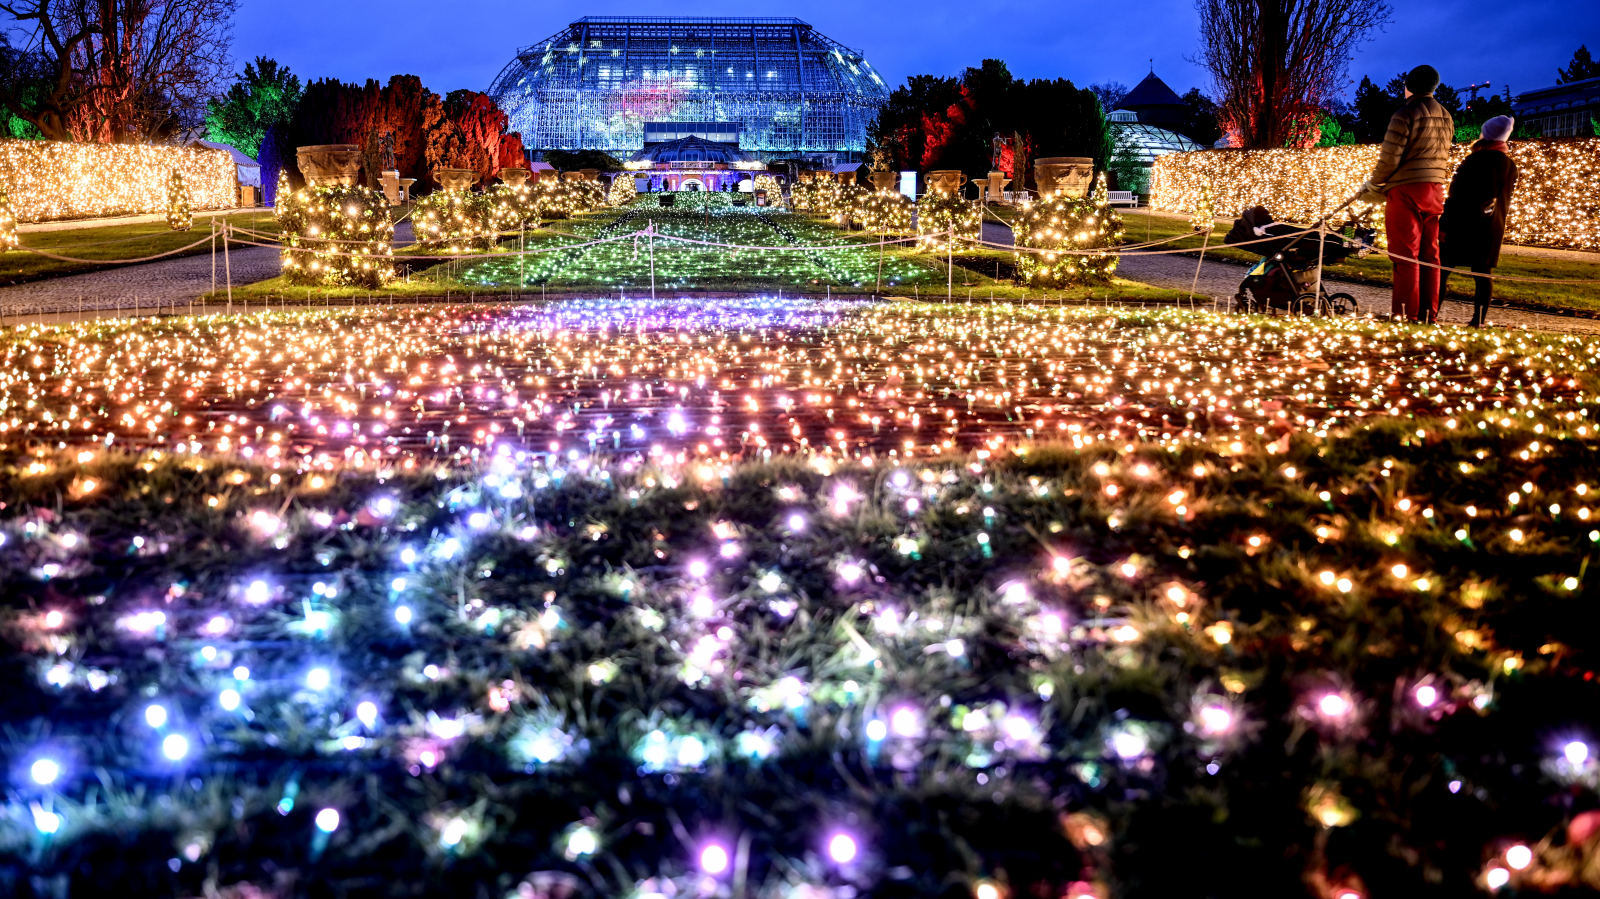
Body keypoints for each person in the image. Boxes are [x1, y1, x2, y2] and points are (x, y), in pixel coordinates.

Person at [1359, 65, 1455, 322]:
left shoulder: (1404, 113)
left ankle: (1405, 315)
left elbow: (1390, 158)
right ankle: (1428, 315)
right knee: (1430, 255)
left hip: (1407, 190)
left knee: (1405, 255)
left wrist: (1375, 186)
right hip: (1435, 188)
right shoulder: (1446, 115)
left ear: (1409, 85)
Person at [1440, 116, 1518, 327]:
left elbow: (1454, 195)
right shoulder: (1510, 165)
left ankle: (1431, 313)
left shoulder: (1473, 160)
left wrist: (1444, 225)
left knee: (1442, 269)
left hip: (1463, 223)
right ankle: (1478, 321)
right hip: (1491, 227)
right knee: (1483, 275)